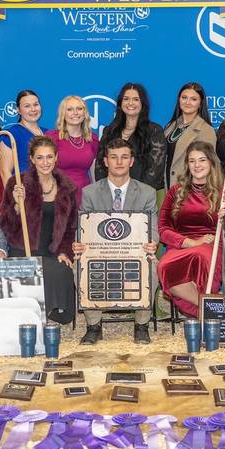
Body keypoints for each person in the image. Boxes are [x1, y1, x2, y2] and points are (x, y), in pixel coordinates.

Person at [73, 138, 160, 344]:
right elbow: (84, 226)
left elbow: (153, 226)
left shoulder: (147, 192)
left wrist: (152, 242)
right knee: (79, 265)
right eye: (113, 157)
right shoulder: (90, 192)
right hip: (101, 253)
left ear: (131, 161)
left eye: (124, 157)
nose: (119, 162)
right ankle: (94, 326)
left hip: (135, 252)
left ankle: (141, 325)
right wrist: (80, 243)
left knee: (153, 266)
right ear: (105, 161)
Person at [0, 135, 78, 325]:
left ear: (56, 158)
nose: (45, 162)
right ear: (32, 159)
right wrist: (17, 208)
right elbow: (5, 226)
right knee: (42, 271)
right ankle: (34, 314)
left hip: (51, 251)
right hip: (23, 250)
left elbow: (70, 228)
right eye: (40, 157)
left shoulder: (67, 188)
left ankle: (51, 310)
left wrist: (64, 252)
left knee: (62, 271)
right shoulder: (17, 183)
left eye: (49, 157)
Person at [157, 141, 225, 317]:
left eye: (202, 160)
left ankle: (206, 312)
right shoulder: (175, 191)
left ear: (211, 163)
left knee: (203, 256)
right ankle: (210, 310)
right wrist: (190, 242)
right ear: (187, 165)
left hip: (213, 244)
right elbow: (163, 228)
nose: (197, 165)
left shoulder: (224, 193)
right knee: (164, 266)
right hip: (181, 245)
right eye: (192, 161)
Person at [94, 83, 166, 191]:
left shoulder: (154, 131)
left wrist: (136, 194)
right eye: (126, 99)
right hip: (112, 195)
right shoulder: (109, 131)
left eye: (136, 99)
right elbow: (100, 165)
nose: (130, 103)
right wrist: (108, 191)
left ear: (142, 103)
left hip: (145, 196)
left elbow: (155, 170)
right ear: (120, 103)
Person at [45, 95, 98, 205]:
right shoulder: (52, 137)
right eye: (70, 109)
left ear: (85, 113)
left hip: (84, 196)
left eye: (79, 109)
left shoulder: (92, 138)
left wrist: (97, 195)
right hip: (57, 195)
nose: (75, 113)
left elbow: (94, 170)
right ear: (63, 114)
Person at [163, 82, 216, 190]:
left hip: (189, 189)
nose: (187, 102)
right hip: (166, 185)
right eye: (184, 97)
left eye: (193, 99)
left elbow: (207, 166)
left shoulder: (206, 130)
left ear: (200, 103)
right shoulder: (170, 125)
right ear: (179, 99)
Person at [0, 89, 46, 185]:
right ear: (18, 110)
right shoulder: (10, 135)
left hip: (48, 193)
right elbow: (5, 172)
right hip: (24, 193)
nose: (33, 109)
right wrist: (14, 197)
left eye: (36, 104)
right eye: (27, 106)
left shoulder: (48, 133)